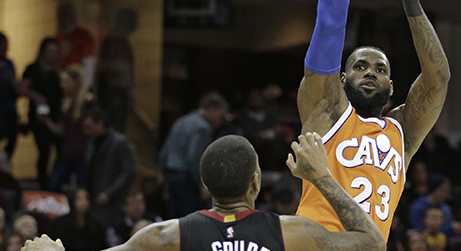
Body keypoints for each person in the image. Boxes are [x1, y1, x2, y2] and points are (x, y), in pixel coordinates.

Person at [21, 133, 386, 251]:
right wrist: (321, 176)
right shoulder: (292, 233)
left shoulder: (164, 236)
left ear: (206, 186)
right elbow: (372, 242)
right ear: (256, 181)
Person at [295, 0, 450, 241]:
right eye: (360, 66)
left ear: (391, 87)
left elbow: (438, 79)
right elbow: (329, 26)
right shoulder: (326, 111)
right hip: (317, 243)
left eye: (381, 69)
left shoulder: (402, 132)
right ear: (342, 79)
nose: (371, 73)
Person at [158, 93, 228, 218]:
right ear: (212, 110)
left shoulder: (181, 121)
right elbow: (195, 158)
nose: (220, 120)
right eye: (220, 115)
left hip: (171, 174)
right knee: (189, 219)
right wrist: (203, 183)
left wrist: (164, 179)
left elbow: (164, 153)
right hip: (187, 178)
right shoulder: (202, 127)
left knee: (173, 219)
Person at [44, 66, 97, 192]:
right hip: (67, 152)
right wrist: (46, 121)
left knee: (81, 189)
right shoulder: (66, 103)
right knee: (53, 185)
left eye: (65, 81)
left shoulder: (89, 102)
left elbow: (95, 128)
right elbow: (61, 130)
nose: (62, 85)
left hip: (83, 153)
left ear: (75, 81)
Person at [82, 107, 137, 228]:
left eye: (89, 127)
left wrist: (109, 193)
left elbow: (129, 172)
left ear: (100, 124)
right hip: (94, 197)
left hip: (114, 201)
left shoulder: (121, 142)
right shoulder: (91, 143)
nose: (86, 131)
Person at [21, 38, 63, 189]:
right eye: (49, 52)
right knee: (44, 148)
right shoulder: (33, 69)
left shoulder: (59, 72)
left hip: (56, 115)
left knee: (61, 148)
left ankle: (57, 181)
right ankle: (43, 182)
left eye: (54, 52)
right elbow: (22, 88)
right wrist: (34, 96)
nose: (51, 55)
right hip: (39, 117)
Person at [96, 8, 138, 133]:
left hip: (121, 91)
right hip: (113, 92)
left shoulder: (123, 41)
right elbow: (106, 67)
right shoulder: (112, 41)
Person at [56, 4, 96, 91]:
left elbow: (89, 64)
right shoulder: (58, 37)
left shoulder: (84, 36)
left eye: (68, 16)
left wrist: (85, 88)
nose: (65, 19)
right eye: (62, 16)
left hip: (78, 84)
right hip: (62, 84)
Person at [0, 32, 18, 162]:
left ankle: (5, 160)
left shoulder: (9, 64)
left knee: (12, 136)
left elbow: (14, 83)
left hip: (9, 108)